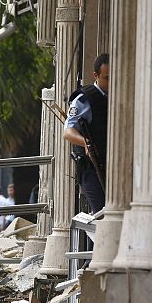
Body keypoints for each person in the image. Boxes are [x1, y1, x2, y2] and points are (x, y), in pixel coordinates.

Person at [63, 53, 109, 213]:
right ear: (96, 75)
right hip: (92, 168)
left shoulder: (120, 96)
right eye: (107, 78)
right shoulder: (84, 99)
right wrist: (86, 143)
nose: (111, 83)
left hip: (114, 166)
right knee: (101, 214)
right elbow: (68, 131)